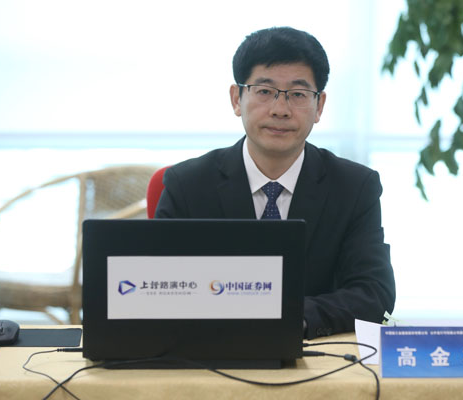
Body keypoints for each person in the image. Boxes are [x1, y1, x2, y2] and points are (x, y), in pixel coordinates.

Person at [155, 26, 395, 339]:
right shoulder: (187, 185)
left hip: (314, 354)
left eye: (298, 94)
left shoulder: (354, 187)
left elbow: (373, 294)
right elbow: (157, 288)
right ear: (237, 99)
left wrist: (290, 319)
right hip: (211, 352)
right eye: (264, 91)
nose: (280, 110)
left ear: (319, 106)